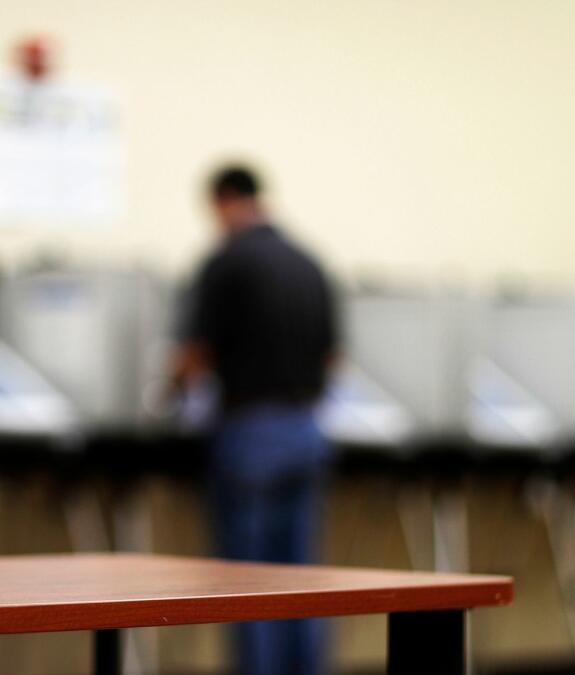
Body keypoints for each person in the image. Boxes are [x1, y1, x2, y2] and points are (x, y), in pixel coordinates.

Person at [172, 164, 340, 675]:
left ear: (222, 202)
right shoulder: (310, 263)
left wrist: (169, 394)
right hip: (306, 429)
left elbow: (195, 354)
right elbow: (334, 358)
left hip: (249, 433)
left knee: (247, 583)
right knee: (301, 578)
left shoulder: (227, 262)